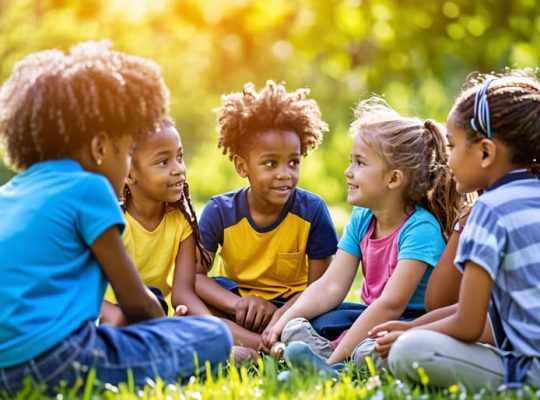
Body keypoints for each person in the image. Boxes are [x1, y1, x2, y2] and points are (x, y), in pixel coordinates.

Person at [0, 41, 232, 396]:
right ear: (99, 148)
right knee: (214, 335)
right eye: (126, 152)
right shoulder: (89, 189)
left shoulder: (10, 194)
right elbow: (136, 302)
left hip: (5, 371)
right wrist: (165, 332)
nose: (125, 166)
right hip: (61, 363)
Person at [262, 97, 461, 375]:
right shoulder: (363, 217)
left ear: (393, 179)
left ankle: (335, 365)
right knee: (313, 322)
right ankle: (330, 355)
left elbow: (390, 305)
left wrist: (333, 362)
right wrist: (283, 321)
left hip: (409, 322)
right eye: (351, 161)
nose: (348, 171)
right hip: (371, 316)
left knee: (376, 347)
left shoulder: (421, 229)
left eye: (360, 163)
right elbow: (330, 285)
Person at [371, 72, 540, 391]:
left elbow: (468, 322)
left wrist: (409, 335)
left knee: (408, 351)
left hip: (530, 372)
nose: (447, 161)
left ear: (486, 152)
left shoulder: (490, 211)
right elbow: (492, 312)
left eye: (452, 146)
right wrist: (413, 324)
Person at [196, 80, 339, 350]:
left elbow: (320, 287)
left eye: (293, 162)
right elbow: (195, 277)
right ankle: (264, 346)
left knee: (333, 316)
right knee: (195, 306)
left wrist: (281, 316)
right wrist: (239, 303)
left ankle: (255, 343)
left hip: (294, 308)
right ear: (242, 166)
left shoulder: (313, 211)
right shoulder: (220, 211)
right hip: (238, 310)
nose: (285, 173)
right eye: (270, 163)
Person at [100, 118, 212, 324]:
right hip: (110, 318)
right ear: (129, 173)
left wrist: (217, 330)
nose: (178, 168)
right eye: (163, 162)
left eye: (180, 157)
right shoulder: (110, 223)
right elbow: (84, 292)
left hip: (157, 313)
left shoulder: (181, 221)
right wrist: (115, 316)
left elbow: (183, 293)